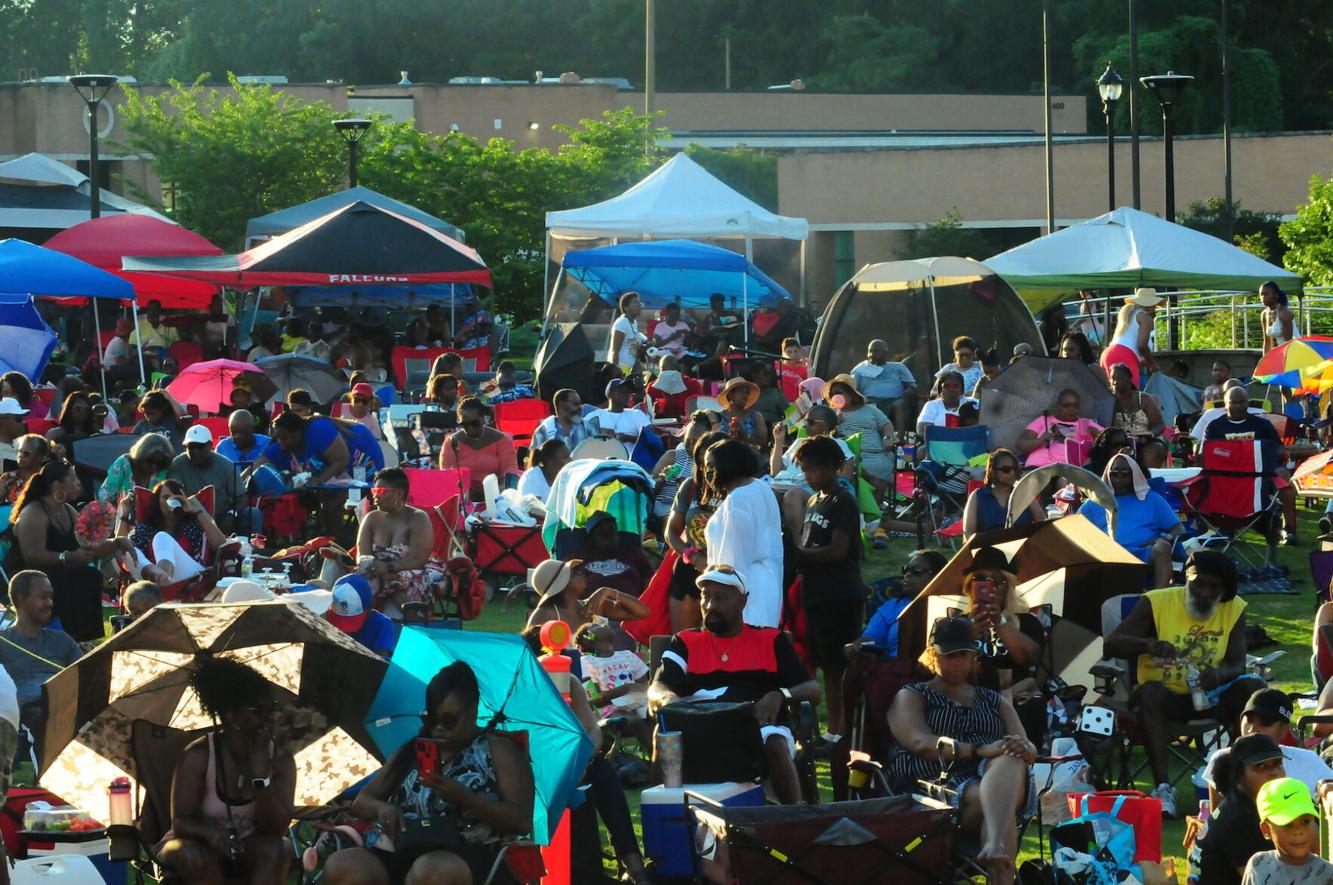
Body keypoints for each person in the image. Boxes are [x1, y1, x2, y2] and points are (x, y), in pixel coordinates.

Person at [323, 661, 535, 885]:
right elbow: (362, 801)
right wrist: (382, 808)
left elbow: (521, 821)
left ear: (473, 710)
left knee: (431, 871)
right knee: (344, 866)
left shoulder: (497, 750)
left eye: (449, 720)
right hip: (405, 845)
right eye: (432, 719)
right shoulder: (415, 748)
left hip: (469, 851)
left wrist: (465, 799)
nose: (439, 728)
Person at [1105, 550, 1266, 817]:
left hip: (1211, 697)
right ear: (1186, 578)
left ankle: (1235, 783)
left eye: (1214, 588)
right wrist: (1150, 645)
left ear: (1224, 591)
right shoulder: (1157, 602)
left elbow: (1237, 664)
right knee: (1151, 692)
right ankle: (1164, 789)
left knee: (1252, 688)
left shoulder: (1234, 608)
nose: (1204, 592)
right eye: (1198, 582)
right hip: (1167, 700)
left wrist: (1219, 676)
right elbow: (1112, 644)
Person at [648, 565, 821, 805]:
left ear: (743, 600)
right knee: (663, 736)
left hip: (753, 726)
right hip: (697, 725)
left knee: (774, 741)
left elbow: (812, 690)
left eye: (720, 597)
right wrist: (669, 699)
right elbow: (657, 688)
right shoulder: (685, 642)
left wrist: (779, 694)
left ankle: (793, 821)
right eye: (705, 596)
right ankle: (666, 818)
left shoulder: (770, 639)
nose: (710, 605)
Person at [887, 616, 1035, 885]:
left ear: (973, 656)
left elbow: (1029, 748)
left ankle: (993, 846)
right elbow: (919, 742)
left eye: (964, 655)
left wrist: (1020, 746)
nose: (957, 662)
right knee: (1000, 803)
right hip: (935, 790)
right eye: (950, 655)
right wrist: (980, 750)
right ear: (933, 655)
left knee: (1011, 757)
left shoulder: (993, 699)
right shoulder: (913, 695)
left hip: (991, 784)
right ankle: (997, 856)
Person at [157, 656, 295, 885]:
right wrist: (212, 836)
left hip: (250, 845)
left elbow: (276, 829)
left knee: (277, 850)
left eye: (270, 708)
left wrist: (260, 778)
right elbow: (181, 822)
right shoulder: (199, 755)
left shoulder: (281, 761)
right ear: (230, 716)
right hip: (196, 844)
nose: (268, 717)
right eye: (257, 710)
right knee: (197, 857)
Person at [6, 461, 131, 640]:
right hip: (27, 574)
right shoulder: (34, 512)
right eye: (73, 478)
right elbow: (32, 555)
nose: (79, 483)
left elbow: (88, 547)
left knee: (90, 575)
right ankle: (63, 636)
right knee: (66, 579)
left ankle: (82, 638)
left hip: (57, 570)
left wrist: (118, 542)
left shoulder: (67, 510)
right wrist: (69, 557)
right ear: (58, 485)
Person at [792, 436, 865, 739]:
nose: (808, 476)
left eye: (813, 470)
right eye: (805, 470)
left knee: (839, 666)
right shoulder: (813, 499)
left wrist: (799, 554)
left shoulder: (842, 500)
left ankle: (840, 730)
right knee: (825, 665)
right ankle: (834, 728)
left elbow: (838, 550)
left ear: (833, 467)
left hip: (841, 593)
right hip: (817, 593)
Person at [1202, 689, 1333, 809]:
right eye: (1249, 720)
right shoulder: (1223, 760)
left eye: (1265, 723)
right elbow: (1216, 816)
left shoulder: (1309, 761)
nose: (1252, 729)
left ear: (1284, 730)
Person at [702, 439, 784, 628]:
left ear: (729, 464)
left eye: (711, 466)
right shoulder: (761, 488)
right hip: (767, 585)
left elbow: (732, 562)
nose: (707, 473)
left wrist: (718, 600)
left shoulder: (737, 500)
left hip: (743, 593)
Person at [1204, 386, 1299, 545]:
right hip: (1228, 475)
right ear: (1225, 404)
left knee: (1284, 477)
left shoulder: (1262, 424)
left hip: (1262, 473)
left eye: (1242, 402)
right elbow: (1205, 455)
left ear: (1247, 403)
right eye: (1234, 402)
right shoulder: (1214, 427)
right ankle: (1225, 528)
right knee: (1207, 478)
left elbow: (1279, 449)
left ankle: (1289, 529)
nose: (1239, 406)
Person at [1078, 453, 1184, 587]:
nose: (1119, 478)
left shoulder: (1151, 499)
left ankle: (1157, 598)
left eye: (1125, 474)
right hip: (1105, 556)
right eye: (1114, 474)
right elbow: (1074, 528)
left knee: (1163, 547)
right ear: (1108, 475)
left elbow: (1178, 528)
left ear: (1133, 475)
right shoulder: (1095, 501)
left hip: (1142, 554)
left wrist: (1164, 537)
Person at [1196, 733, 1288, 885]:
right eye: (1261, 766)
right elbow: (1262, 881)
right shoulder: (1242, 819)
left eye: (1278, 763)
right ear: (1238, 774)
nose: (1274, 773)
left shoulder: (1237, 802)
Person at [663, 430, 729, 632]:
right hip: (689, 568)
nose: (707, 471)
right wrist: (693, 558)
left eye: (712, 465)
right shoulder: (690, 487)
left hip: (725, 572)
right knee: (685, 642)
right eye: (703, 464)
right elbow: (671, 533)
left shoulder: (736, 489)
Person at [355, 468, 446, 615]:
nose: (375, 497)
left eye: (381, 491)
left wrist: (388, 568)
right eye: (374, 491)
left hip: (408, 572)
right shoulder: (371, 519)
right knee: (349, 578)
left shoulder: (418, 518)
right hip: (376, 572)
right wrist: (370, 566)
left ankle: (412, 621)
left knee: (400, 580)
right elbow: (362, 555)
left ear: (399, 493)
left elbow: (419, 559)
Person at [0, 571, 83, 730]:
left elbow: (87, 677)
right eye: (43, 596)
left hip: (63, 711)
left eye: (50, 596)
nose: (50, 602)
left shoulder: (62, 640)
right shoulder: (3, 642)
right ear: (20, 598)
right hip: (21, 719)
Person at [119, 478, 229, 586]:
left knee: (162, 537)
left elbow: (221, 543)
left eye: (177, 498)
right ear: (157, 502)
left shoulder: (193, 525)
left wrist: (195, 512)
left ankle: (163, 584)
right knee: (129, 550)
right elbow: (120, 550)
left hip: (192, 577)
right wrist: (124, 515)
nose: (171, 501)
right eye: (166, 497)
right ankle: (162, 580)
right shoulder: (146, 530)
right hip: (153, 579)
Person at [851, 550, 948, 659]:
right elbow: (870, 639)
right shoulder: (891, 608)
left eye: (916, 571)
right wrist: (856, 646)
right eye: (906, 570)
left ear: (938, 576)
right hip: (897, 670)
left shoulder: (951, 606)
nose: (907, 574)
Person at [250, 409, 386, 487]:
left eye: (284, 438)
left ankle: (334, 535)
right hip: (341, 470)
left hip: (362, 462)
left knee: (337, 497)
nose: (281, 443)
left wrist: (320, 480)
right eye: (278, 438)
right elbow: (257, 465)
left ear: (297, 434)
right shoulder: (282, 443)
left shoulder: (318, 429)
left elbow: (342, 459)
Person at [574, 620, 655, 749]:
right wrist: (626, 688)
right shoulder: (587, 662)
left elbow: (644, 683)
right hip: (608, 708)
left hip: (637, 701)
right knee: (635, 721)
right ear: (588, 638)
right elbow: (594, 699)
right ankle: (657, 760)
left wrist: (640, 689)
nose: (603, 625)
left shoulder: (627, 655)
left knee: (657, 716)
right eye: (596, 626)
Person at [1243, 777, 1333, 885]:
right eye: (1287, 824)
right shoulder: (1258, 865)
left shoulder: (1328, 874)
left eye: (1305, 821)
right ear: (1266, 829)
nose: (1298, 831)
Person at [170, 424, 254, 534]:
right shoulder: (177, 464)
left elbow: (242, 497)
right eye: (191, 447)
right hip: (190, 514)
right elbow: (174, 493)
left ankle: (249, 547)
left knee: (253, 513)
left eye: (200, 447)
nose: (196, 451)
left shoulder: (226, 465)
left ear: (210, 445)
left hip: (221, 515)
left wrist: (231, 513)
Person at [826, 373, 896, 501]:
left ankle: (874, 513)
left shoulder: (869, 409)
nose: (835, 397)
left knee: (877, 480)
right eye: (833, 394)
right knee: (857, 474)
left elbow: (887, 425)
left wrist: (888, 439)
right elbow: (823, 434)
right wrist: (834, 421)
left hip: (876, 454)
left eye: (839, 392)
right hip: (849, 457)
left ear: (851, 394)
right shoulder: (832, 416)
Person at [438, 397, 519, 499]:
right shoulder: (452, 442)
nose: (470, 428)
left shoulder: (502, 440)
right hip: (464, 499)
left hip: (497, 496)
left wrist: (499, 494)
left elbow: (510, 473)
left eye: (474, 423)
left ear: (483, 418)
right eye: (464, 424)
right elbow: (447, 476)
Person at [962, 449, 1045, 540]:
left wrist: (1025, 492)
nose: (1012, 473)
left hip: (1021, 548)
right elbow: (968, 532)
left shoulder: (1024, 494)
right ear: (993, 472)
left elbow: (1042, 524)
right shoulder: (978, 496)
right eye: (1006, 470)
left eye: (1015, 469)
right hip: (988, 548)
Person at [1016, 390, 1103, 469]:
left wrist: (1098, 437)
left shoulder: (1085, 423)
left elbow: (1110, 440)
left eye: (1075, 406)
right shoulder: (1044, 420)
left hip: (1069, 470)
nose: (1071, 409)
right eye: (1066, 405)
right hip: (1037, 468)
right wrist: (1039, 440)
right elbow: (1020, 445)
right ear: (1058, 406)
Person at [1100, 287, 1163, 387]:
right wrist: (1152, 363)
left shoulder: (1129, 314)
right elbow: (1142, 345)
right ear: (1152, 305)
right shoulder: (1144, 317)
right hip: (1123, 356)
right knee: (1130, 398)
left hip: (1108, 354)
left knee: (1111, 397)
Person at [326, 574, 401, 658]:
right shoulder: (327, 611)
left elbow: (382, 658)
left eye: (351, 619)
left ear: (369, 609)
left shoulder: (383, 624)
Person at [852, 339, 917, 430]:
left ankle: (899, 439)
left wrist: (908, 392)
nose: (872, 354)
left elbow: (912, 386)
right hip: (869, 401)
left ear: (885, 353)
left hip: (892, 402)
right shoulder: (860, 369)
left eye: (876, 351)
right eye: (870, 351)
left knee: (900, 404)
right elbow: (851, 388)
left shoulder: (898, 367)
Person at [916, 370, 978, 443]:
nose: (951, 389)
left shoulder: (974, 403)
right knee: (921, 451)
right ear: (940, 390)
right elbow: (922, 430)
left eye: (956, 386)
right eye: (947, 386)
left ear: (962, 389)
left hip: (969, 445)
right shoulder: (931, 405)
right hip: (938, 445)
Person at [1109, 363, 1166, 441]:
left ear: (1129, 379)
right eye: (1113, 378)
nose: (1115, 382)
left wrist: (1150, 434)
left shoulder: (1143, 399)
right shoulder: (1109, 401)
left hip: (1146, 441)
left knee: (1150, 452)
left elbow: (1159, 425)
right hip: (1120, 444)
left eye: (1120, 378)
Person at [588, 379, 650, 446]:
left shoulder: (636, 414)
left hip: (630, 456)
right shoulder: (595, 415)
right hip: (600, 454)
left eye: (628, 393)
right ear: (610, 393)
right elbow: (580, 432)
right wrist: (600, 432)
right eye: (623, 392)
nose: (627, 395)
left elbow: (652, 439)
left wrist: (628, 438)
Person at [717, 376, 768, 451]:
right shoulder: (719, 417)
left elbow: (764, 443)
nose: (745, 396)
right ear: (730, 395)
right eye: (741, 392)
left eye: (746, 393)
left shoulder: (756, 416)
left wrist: (745, 438)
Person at [645, 355, 701, 421]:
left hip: (685, 424)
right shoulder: (652, 388)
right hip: (663, 425)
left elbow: (698, 410)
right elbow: (648, 416)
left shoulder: (692, 384)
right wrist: (654, 411)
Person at [0, 435, 49, 506]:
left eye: (26, 453)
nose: (20, 455)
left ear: (40, 457)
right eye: (19, 451)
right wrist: (4, 488)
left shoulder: (47, 478)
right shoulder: (9, 477)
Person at [607, 291, 644, 373]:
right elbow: (614, 351)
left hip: (630, 368)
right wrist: (615, 374)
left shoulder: (634, 322)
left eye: (639, 302)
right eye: (635, 302)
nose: (639, 305)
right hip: (620, 369)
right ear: (626, 308)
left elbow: (632, 346)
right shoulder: (622, 323)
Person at [747, 361, 790, 431]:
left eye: (770, 374)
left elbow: (792, 415)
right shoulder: (745, 393)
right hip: (750, 430)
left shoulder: (775, 393)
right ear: (754, 375)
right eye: (765, 374)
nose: (769, 377)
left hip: (773, 430)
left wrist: (782, 425)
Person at [1260, 281, 1299, 352]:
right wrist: (1264, 361)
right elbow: (1267, 342)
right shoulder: (1264, 314)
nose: (1263, 297)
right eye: (1261, 294)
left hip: (1294, 349)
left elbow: (1288, 343)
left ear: (1276, 295)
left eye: (1266, 294)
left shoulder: (1284, 313)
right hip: (1282, 349)